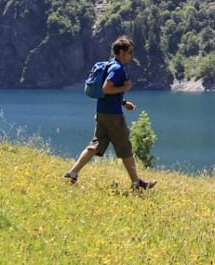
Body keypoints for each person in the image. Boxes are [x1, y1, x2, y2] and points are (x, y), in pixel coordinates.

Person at [63, 35, 156, 192]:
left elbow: (107, 93)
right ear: (121, 52)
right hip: (113, 116)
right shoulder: (117, 68)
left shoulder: (110, 65)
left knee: (95, 145)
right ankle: (137, 184)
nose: (131, 55)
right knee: (125, 148)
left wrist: (124, 102)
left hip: (102, 112)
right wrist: (125, 88)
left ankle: (72, 173)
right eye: (130, 52)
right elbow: (106, 89)